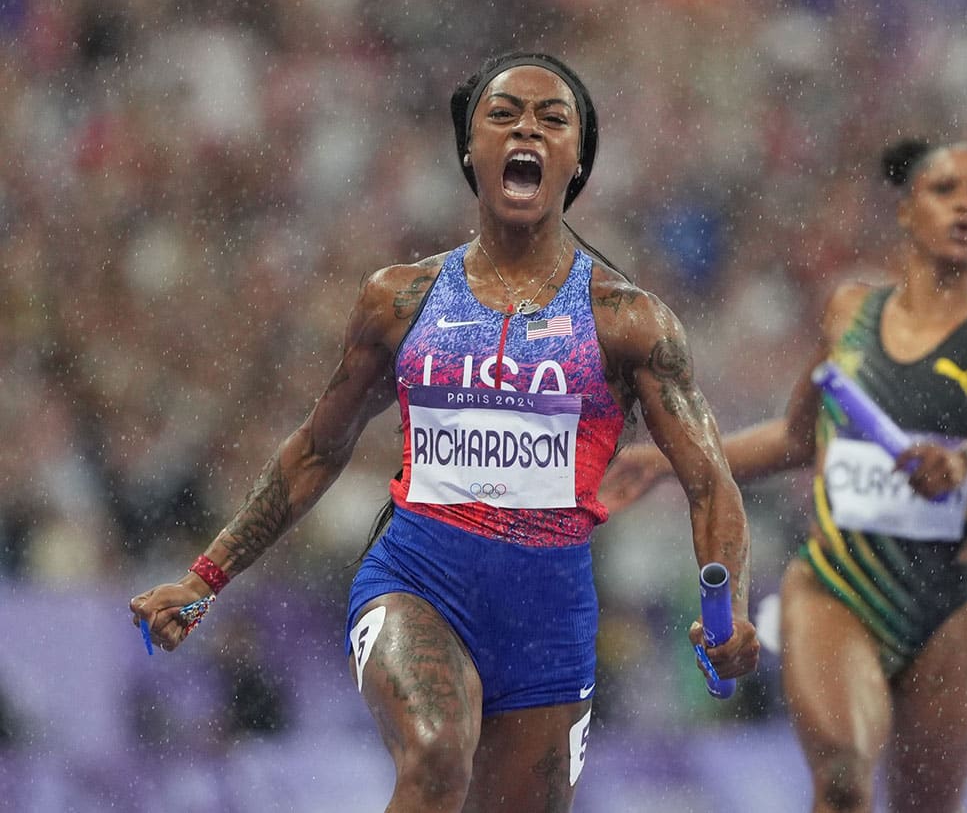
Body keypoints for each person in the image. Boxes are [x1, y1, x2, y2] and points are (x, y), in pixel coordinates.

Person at [130, 51, 759, 813]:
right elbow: (316, 451)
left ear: (577, 159)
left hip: (550, 620)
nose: (527, 126)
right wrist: (205, 579)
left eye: (552, 118)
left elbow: (709, 482)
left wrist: (732, 608)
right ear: (471, 150)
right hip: (417, 580)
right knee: (434, 759)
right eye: (504, 114)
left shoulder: (629, 321)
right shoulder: (399, 299)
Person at [600, 139, 967, 813]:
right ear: (907, 211)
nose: (966, 207)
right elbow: (797, 439)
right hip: (836, 590)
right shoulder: (850, 313)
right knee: (842, 782)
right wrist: (672, 460)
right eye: (946, 191)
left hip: (943, 606)